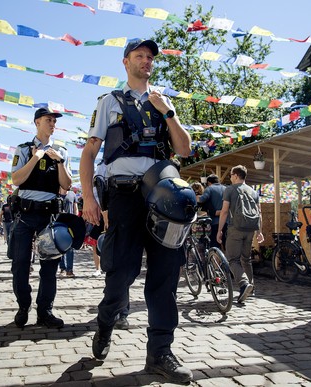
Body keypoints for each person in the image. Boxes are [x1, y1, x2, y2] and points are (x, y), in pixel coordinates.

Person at [80, 39, 194, 383]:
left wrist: (168, 112)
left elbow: (185, 150)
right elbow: (89, 153)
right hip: (125, 194)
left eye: (150, 57)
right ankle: (105, 322)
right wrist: (88, 197)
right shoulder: (109, 102)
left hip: (161, 193)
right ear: (126, 61)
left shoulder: (164, 102)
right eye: (140, 56)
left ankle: (160, 353)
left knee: (164, 276)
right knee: (121, 275)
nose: (146, 61)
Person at [9, 107, 72, 329]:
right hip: (26, 215)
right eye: (48, 120)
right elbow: (16, 179)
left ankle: (45, 311)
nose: (52, 124)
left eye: (54, 121)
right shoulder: (24, 149)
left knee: (49, 266)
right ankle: (23, 306)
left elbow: (66, 185)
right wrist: (36, 157)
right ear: (37, 123)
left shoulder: (61, 151)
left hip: (49, 216)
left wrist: (60, 162)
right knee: (20, 264)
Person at [217, 165, 264, 304]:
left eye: (231, 174)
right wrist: (259, 231)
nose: (230, 177)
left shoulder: (230, 189)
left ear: (236, 175)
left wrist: (220, 230)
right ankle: (252, 287)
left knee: (232, 260)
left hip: (235, 228)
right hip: (250, 229)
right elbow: (259, 213)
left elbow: (224, 211)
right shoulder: (253, 191)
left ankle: (244, 284)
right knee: (246, 259)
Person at [196, 174, 227, 248]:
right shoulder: (226, 188)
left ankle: (216, 259)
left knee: (215, 245)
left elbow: (202, 199)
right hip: (226, 221)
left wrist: (196, 196)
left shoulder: (209, 189)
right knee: (226, 244)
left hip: (215, 222)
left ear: (209, 182)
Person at [59, 187, 79, 278]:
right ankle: (62, 268)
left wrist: (76, 221)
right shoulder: (56, 194)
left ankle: (69, 270)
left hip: (70, 224)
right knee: (60, 247)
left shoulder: (72, 194)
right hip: (58, 224)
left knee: (70, 247)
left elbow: (76, 209)